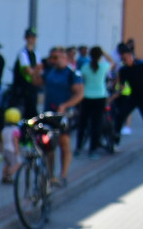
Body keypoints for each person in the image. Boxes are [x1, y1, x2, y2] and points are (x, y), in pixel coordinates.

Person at [38, 46, 83, 185]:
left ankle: (63, 174)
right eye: (51, 57)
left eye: (55, 58)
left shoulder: (72, 73)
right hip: (48, 113)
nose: (52, 60)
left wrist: (65, 105)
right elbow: (36, 82)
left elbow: (80, 94)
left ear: (64, 58)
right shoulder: (50, 71)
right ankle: (51, 175)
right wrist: (37, 69)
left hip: (64, 114)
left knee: (64, 143)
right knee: (49, 145)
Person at [112, 42, 143, 160]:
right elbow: (121, 86)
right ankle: (115, 142)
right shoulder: (124, 70)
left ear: (131, 56)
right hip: (134, 97)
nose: (124, 60)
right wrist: (114, 94)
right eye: (123, 58)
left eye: (126, 58)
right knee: (120, 116)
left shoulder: (141, 65)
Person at [76, 46, 113, 159]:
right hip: (100, 97)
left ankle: (78, 148)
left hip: (86, 97)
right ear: (100, 56)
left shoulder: (85, 67)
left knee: (83, 123)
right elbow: (112, 62)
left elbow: (81, 78)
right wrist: (105, 52)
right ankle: (93, 150)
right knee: (96, 124)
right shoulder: (103, 66)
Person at [12, 28, 42, 119]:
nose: (32, 40)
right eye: (30, 37)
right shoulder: (22, 53)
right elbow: (27, 70)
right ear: (26, 38)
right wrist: (35, 72)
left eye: (33, 37)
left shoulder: (36, 53)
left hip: (33, 87)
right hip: (23, 88)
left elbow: (39, 68)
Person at [0, 106, 22, 183]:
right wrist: (17, 149)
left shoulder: (4, 129)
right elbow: (15, 140)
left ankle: (4, 176)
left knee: (6, 164)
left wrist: (0, 150)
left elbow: (2, 141)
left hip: (5, 150)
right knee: (17, 164)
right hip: (11, 150)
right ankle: (9, 174)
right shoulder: (15, 130)